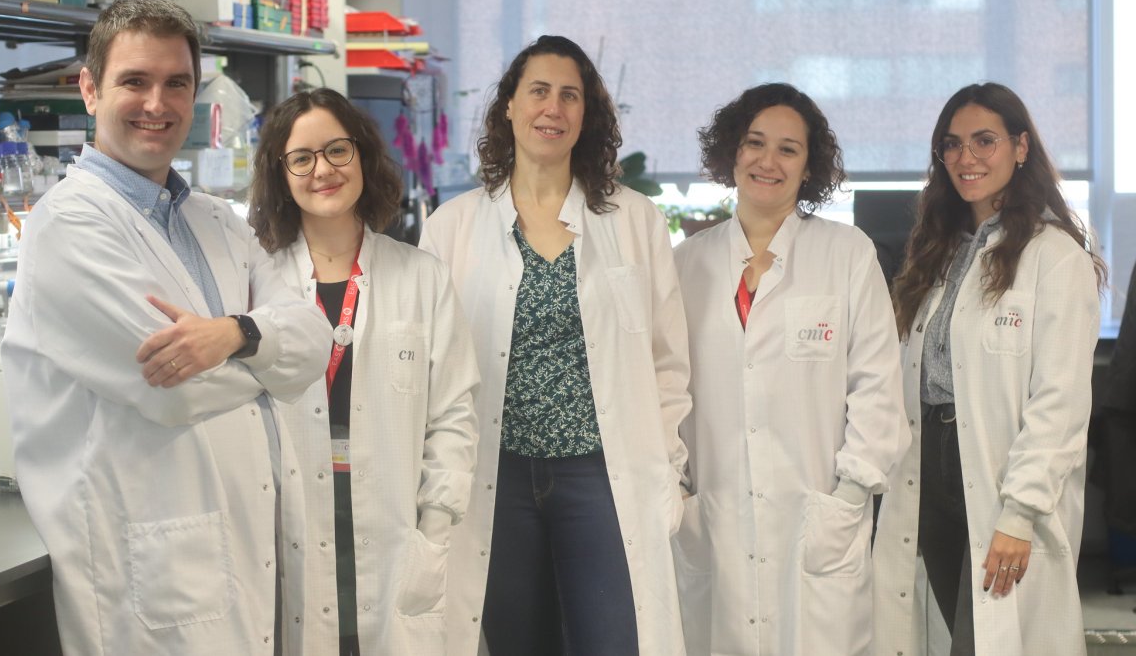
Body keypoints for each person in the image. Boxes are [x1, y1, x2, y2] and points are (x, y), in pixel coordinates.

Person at [0, 0, 331, 655]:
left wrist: (233, 335)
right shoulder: (68, 225)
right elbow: (177, 389)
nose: (158, 102)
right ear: (90, 91)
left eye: (177, 82)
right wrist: (270, 361)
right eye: (135, 81)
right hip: (156, 573)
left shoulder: (216, 220)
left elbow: (312, 336)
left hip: (249, 555)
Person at [418, 35, 691, 655]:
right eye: (538, 91)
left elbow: (668, 362)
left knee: (613, 639)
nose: (553, 107)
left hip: (600, 472)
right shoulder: (453, 225)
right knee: (517, 643)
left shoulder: (634, 219)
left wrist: (669, 469)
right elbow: (433, 368)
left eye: (570, 95)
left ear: (586, 116)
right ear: (509, 107)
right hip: (499, 476)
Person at [671, 83, 910, 655]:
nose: (767, 161)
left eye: (788, 149)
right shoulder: (685, 265)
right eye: (754, 143)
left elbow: (878, 387)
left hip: (817, 520)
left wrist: (849, 496)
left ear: (809, 167)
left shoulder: (846, 254)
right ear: (732, 152)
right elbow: (665, 390)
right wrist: (678, 489)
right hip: (713, 515)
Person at [873, 82, 1105, 656]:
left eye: (984, 141)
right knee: (953, 638)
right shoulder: (939, 250)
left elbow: (1061, 403)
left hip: (1001, 476)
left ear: (1020, 147)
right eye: (951, 145)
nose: (966, 158)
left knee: (992, 640)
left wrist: (1020, 513)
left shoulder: (1055, 257)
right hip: (929, 468)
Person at [246, 88, 479, 656]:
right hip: (291, 524)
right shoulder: (256, 280)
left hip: (396, 523)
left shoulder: (420, 276)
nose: (322, 170)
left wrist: (436, 524)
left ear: (363, 157)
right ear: (281, 174)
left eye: (337, 151)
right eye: (301, 158)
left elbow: (453, 413)